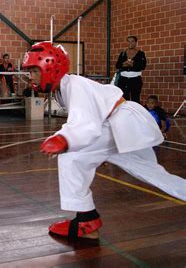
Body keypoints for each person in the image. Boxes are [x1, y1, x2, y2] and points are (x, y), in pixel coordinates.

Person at [23, 41, 185, 240]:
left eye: (34, 71)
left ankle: (86, 221)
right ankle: (87, 220)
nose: (30, 77)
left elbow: (86, 124)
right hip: (121, 126)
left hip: (119, 124)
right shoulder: (63, 88)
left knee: (71, 156)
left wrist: (65, 139)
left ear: (50, 67)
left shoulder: (74, 85)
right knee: (154, 174)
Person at [115, 36, 146, 103]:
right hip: (123, 79)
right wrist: (124, 64)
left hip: (135, 79)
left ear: (136, 42)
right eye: (128, 41)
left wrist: (132, 65)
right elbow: (117, 65)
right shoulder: (123, 53)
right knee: (124, 98)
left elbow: (143, 66)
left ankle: (135, 113)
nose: (130, 43)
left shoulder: (141, 54)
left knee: (135, 98)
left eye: (132, 41)